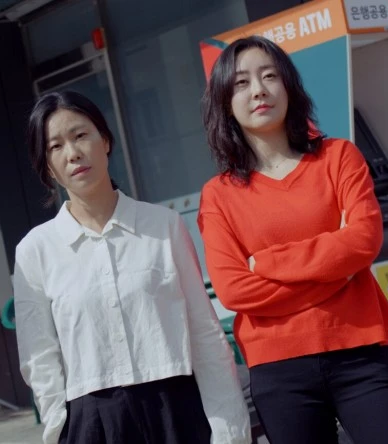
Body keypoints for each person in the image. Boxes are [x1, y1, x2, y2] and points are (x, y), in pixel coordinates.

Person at [13, 91, 250, 444]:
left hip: (176, 410)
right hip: (92, 421)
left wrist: (230, 428)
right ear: (47, 166)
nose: (73, 153)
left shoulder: (164, 226)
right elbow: (40, 358)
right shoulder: (35, 250)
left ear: (105, 141)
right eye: (55, 146)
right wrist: (58, 427)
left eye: (80, 135)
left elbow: (203, 332)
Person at [199, 36, 388, 444]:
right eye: (241, 83)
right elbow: (234, 288)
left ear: (289, 86)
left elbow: (363, 241)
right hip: (279, 371)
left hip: (359, 352)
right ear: (225, 102)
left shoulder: (339, 157)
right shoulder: (218, 195)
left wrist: (267, 263)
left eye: (269, 76)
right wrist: (335, 271)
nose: (258, 90)